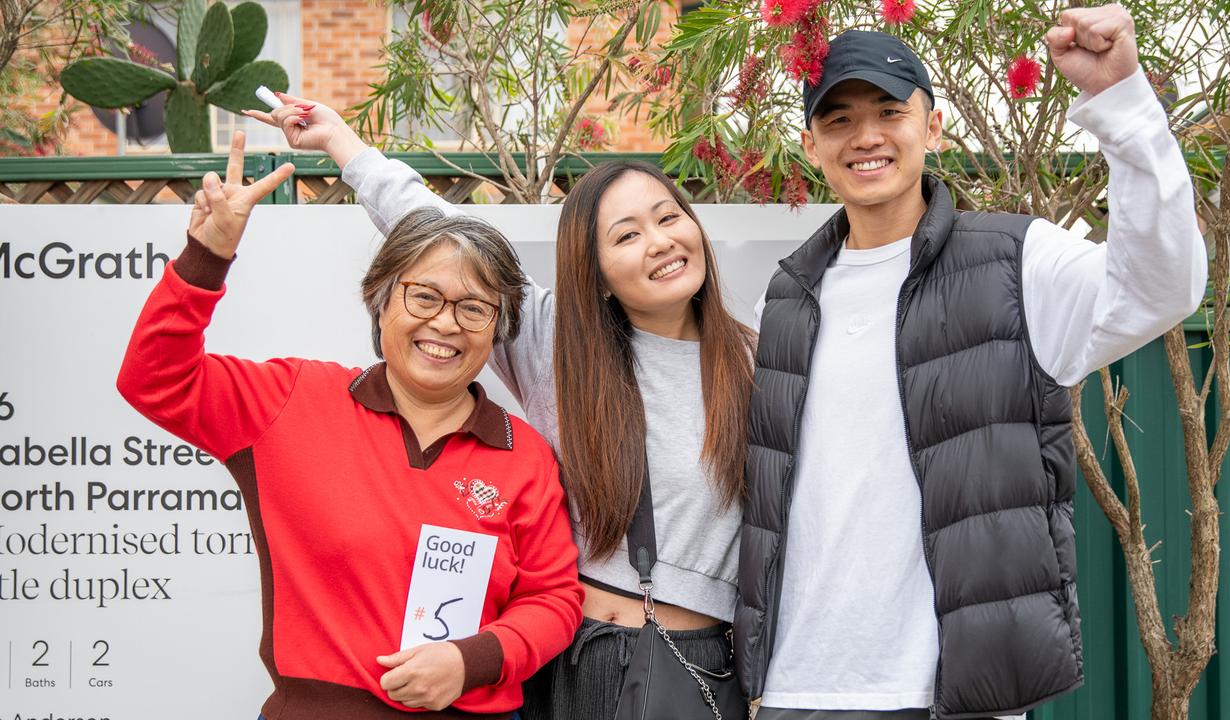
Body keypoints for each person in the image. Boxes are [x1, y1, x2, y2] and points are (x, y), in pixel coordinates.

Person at [734, 5, 1208, 720]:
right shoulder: (788, 298)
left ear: (934, 127)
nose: (865, 137)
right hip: (796, 689)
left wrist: (1125, 107)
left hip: (950, 695)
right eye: (837, 121)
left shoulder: (1016, 262)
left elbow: (1161, 288)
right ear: (809, 145)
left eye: (889, 111)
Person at [246, 104, 756, 718]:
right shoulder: (558, 343)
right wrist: (344, 146)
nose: (660, 243)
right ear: (594, 271)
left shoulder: (758, 361)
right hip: (560, 656)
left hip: (687, 660)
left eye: (669, 218)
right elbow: (438, 231)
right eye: (626, 235)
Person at [116, 132, 583, 719]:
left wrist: (473, 661)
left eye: (474, 308)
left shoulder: (524, 455)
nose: (446, 324)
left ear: (497, 327)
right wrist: (205, 260)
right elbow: (153, 380)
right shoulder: (291, 399)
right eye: (424, 297)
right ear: (379, 300)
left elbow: (554, 599)